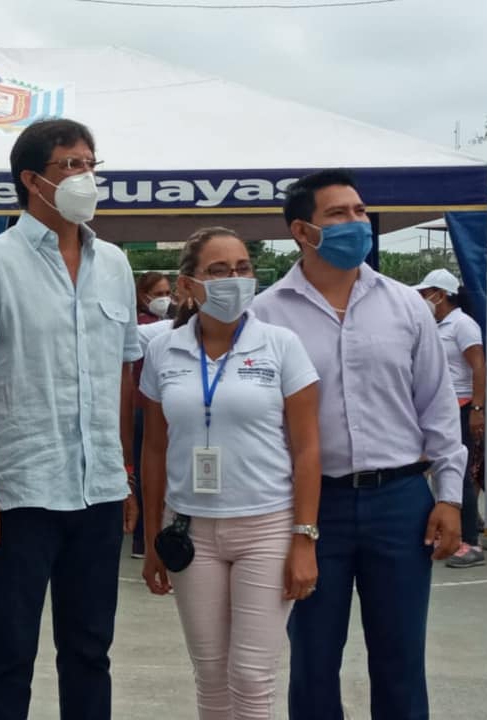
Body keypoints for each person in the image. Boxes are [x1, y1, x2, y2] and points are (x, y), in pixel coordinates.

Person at [0, 117, 141, 720]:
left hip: (98, 491)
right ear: (32, 180)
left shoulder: (114, 264)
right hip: (21, 493)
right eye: (70, 165)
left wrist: (124, 473)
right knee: (10, 654)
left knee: (90, 651)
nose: (86, 177)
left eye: (91, 164)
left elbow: (122, 372)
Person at [252, 169, 466, 720]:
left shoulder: (406, 306)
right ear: (302, 230)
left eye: (360, 211)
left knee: (400, 658)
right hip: (311, 508)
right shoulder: (266, 314)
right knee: (312, 658)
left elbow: (438, 406)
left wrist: (449, 496)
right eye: (339, 214)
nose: (357, 223)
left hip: (400, 502)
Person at [141, 227, 321, 719]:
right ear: (187, 285)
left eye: (242, 268)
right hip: (189, 529)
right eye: (218, 271)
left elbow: (308, 448)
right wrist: (152, 536)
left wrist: (304, 537)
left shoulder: (281, 345)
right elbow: (154, 447)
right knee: (211, 674)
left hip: (266, 527)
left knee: (252, 676)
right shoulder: (163, 351)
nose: (234, 280)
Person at [414, 269, 487, 568]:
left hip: (462, 405)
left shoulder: (462, 325)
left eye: (425, 293)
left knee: (459, 473)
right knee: (433, 470)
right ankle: (449, 533)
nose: (422, 298)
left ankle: (470, 542)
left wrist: (477, 409)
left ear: (440, 295)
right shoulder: (436, 325)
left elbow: (479, 366)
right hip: (441, 407)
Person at [130, 271, 173, 557]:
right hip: (142, 407)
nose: (165, 299)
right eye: (158, 294)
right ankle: (143, 537)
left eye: (167, 293)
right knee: (148, 472)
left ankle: (144, 538)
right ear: (143, 296)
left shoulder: (159, 324)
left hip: (156, 408)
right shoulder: (144, 327)